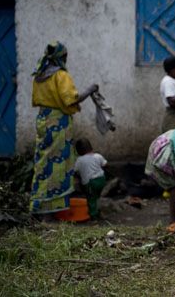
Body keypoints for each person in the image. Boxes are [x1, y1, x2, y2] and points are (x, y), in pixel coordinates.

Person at [29, 41, 98, 221]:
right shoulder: (60, 75)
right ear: (61, 57)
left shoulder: (40, 75)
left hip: (43, 121)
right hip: (58, 124)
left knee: (43, 165)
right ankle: (49, 215)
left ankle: (38, 208)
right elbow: (71, 99)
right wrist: (90, 90)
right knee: (57, 167)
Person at [74, 138, 109, 222]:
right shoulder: (98, 156)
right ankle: (100, 212)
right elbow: (106, 164)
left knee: (91, 199)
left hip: (91, 183)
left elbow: (74, 170)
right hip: (101, 180)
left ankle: (93, 218)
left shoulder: (79, 160)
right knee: (97, 197)